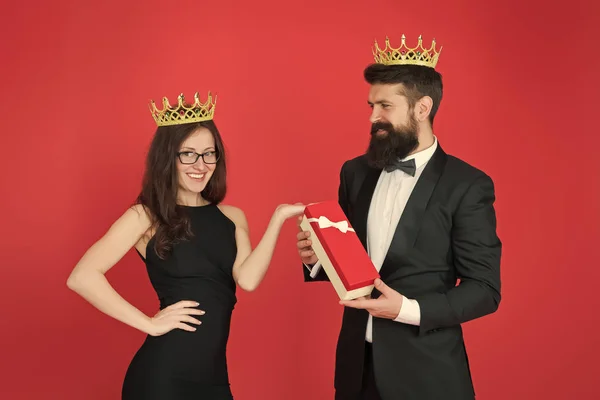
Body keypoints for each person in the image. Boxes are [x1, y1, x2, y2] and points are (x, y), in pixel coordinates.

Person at [296, 35, 502, 400]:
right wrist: (317, 260)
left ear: (422, 108)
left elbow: (484, 290)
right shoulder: (355, 172)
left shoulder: (468, 185)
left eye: (385, 106)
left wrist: (406, 309)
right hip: (356, 370)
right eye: (371, 105)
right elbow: (353, 265)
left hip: (428, 374)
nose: (373, 116)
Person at [67, 92, 305, 400]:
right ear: (168, 158)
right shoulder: (145, 215)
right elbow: (82, 277)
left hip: (214, 379)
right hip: (162, 378)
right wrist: (148, 324)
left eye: (209, 153)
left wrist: (278, 219)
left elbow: (247, 279)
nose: (201, 164)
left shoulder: (232, 217)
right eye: (188, 154)